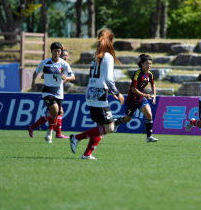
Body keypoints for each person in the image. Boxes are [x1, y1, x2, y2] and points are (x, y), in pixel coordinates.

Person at [69, 28, 124, 160]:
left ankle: (87, 154)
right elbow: (109, 79)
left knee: (100, 126)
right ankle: (76, 137)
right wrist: (117, 92)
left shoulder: (97, 54)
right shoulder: (108, 56)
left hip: (90, 92)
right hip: (99, 93)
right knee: (110, 127)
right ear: (111, 41)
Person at [27, 42, 75, 143]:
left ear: (60, 51)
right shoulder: (45, 63)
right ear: (51, 52)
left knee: (53, 114)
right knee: (56, 110)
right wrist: (33, 82)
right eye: (55, 51)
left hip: (59, 91)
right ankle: (51, 134)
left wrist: (67, 78)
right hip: (48, 90)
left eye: (58, 51)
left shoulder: (64, 64)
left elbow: (73, 76)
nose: (57, 53)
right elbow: (36, 72)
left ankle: (35, 128)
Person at [114, 54, 158, 142]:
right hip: (132, 100)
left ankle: (149, 137)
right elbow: (133, 89)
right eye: (147, 64)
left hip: (141, 99)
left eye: (150, 64)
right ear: (141, 64)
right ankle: (116, 122)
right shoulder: (137, 74)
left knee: (149, 115)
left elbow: (153, 84)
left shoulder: (149, 74)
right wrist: (145, 95)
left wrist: (154, 95)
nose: (149, 66)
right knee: (127, 118)